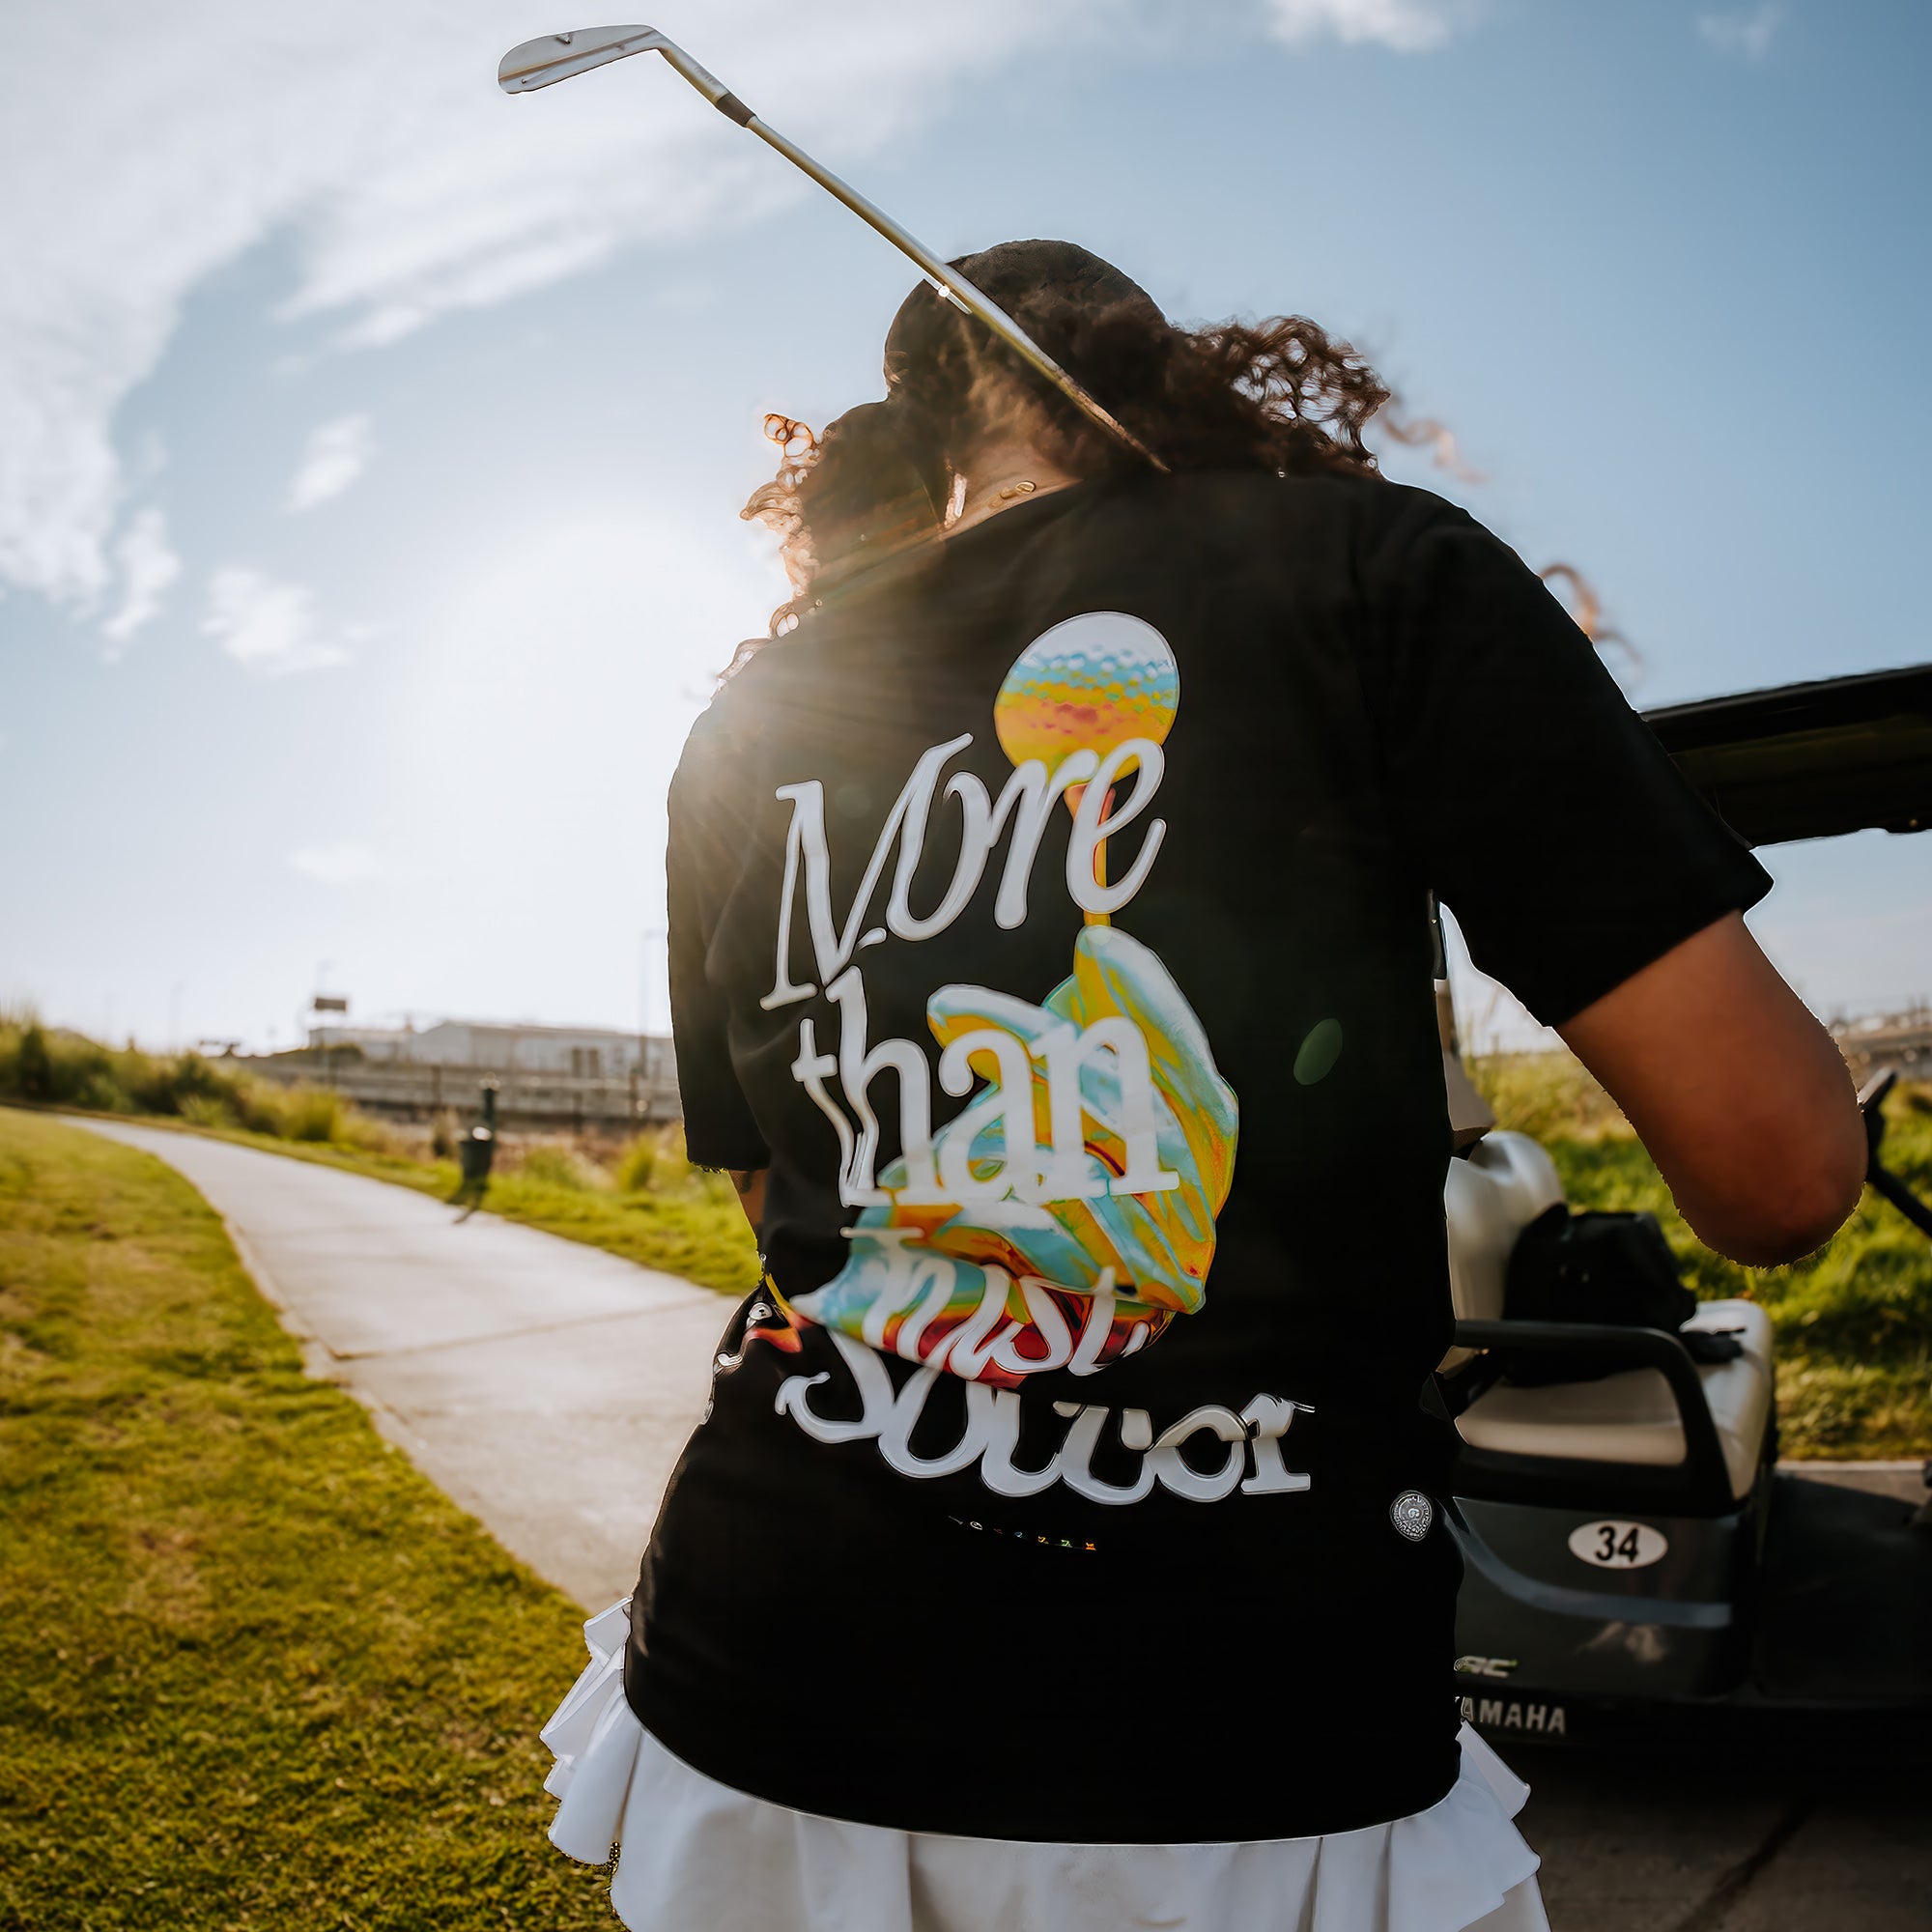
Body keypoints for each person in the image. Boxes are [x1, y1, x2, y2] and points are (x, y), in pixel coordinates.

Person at [538, 241, 1866, 1932]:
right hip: (1241, 1712)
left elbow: (787, 1206)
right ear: (1156, 370)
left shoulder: (752, 716)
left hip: (771, 1668)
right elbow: (1782, 1169)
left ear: (917, 423)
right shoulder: (1375, 572)